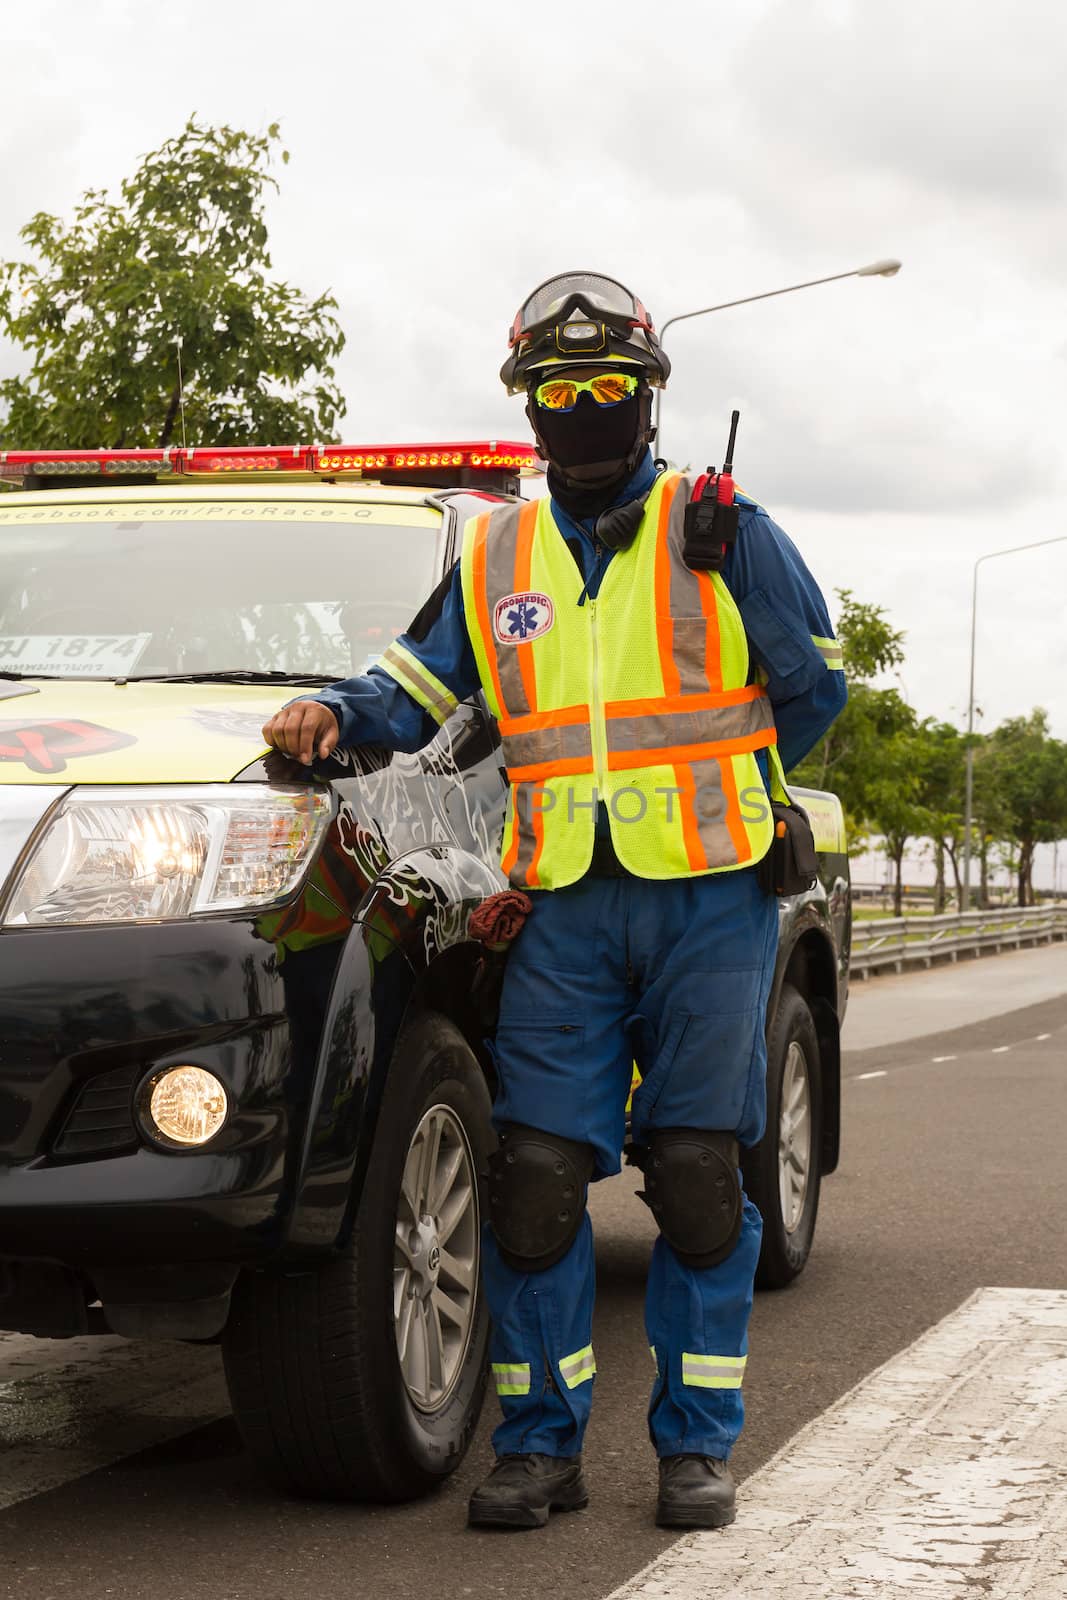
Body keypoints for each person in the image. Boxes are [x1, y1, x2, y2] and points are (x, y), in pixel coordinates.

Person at [262, 271, 847, 1533]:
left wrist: (747, 794)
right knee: (530, 1179)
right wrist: (330, 713)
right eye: (558, 391)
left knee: (695, 1175)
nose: (583, 410)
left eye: (608, 389)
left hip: (707, 900)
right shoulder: (498, 554)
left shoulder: (719, 525)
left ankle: (695, 1448)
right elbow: (413, 687)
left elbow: (812, 692)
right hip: (562, 905)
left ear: (648, 399)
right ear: (527, 407)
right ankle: (538, 1447)